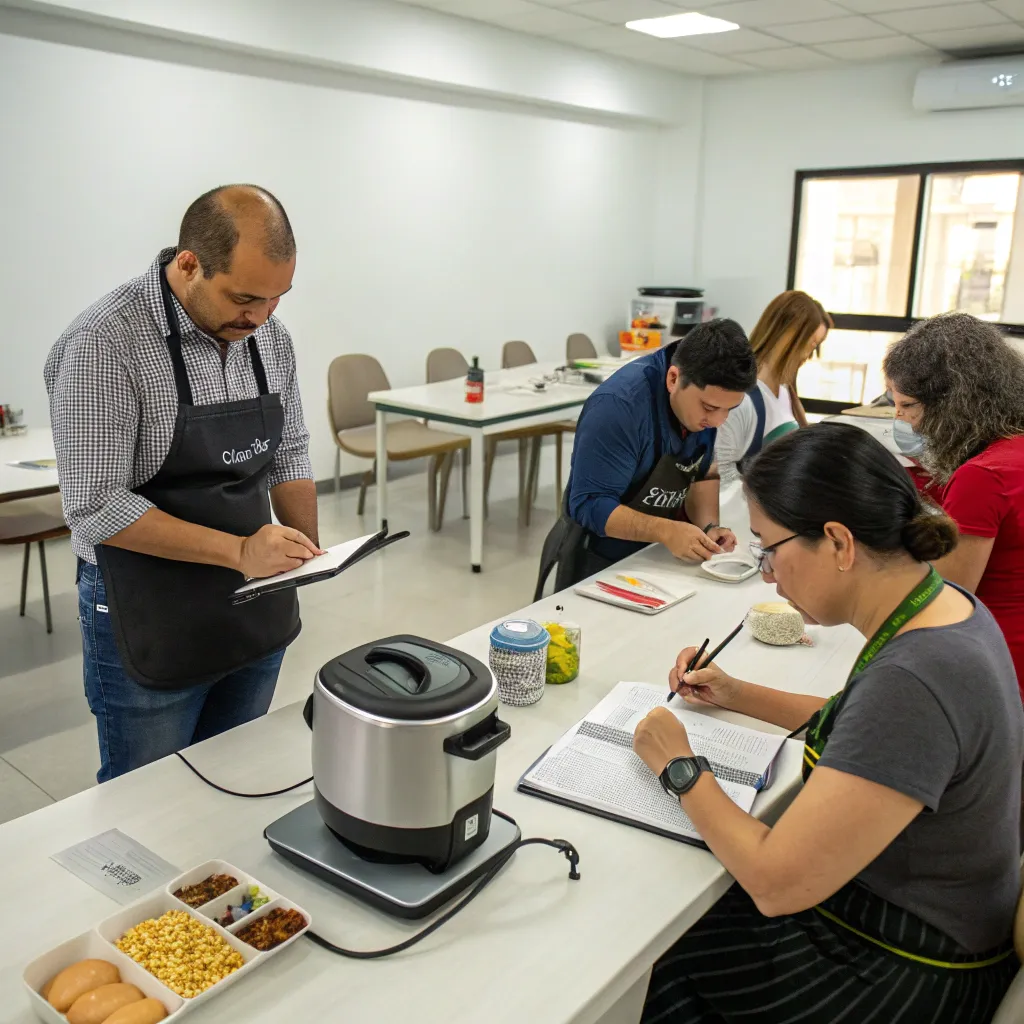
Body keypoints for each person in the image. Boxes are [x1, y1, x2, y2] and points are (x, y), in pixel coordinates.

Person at [632, 423, 1022, 1023]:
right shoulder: (946, 610)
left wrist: (678, 766)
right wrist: (735, 693)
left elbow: (776, 882)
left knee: (667, 958)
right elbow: (869, 734)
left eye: (770, 550)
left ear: (839, 543)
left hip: (908, 966)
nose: (768, 574)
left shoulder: (916, 678)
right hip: (940, 923)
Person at [45, 184, 322, 782]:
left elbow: (290, 450)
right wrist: (240, 550)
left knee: (232, 775)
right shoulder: (105, 343)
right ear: (189, 265)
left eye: (277, 298)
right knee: (147, 799)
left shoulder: (268, 337)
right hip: (148, 606)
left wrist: (308, 548)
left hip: (250, 603)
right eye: (245, 297)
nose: (260, 317)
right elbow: (94, 507)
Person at [534, 320, 757, 597]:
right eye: (710, 408)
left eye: (729, 410)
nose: (718, 421)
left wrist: (709, 527)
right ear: (673, 379)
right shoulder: (619, 407)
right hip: (596, 558)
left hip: (655, 558)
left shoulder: (704, 402)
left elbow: (702, 470)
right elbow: (589, 503)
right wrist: (666, 531)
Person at [884, 312, 1024, 700]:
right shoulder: (1014, 450)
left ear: (954, 404)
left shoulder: (983, 476)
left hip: (997, 669)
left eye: (908, 405)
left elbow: (943, 602)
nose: (902, 419)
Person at [715, 291, 831, 485]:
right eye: (811, 344)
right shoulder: (740, 397)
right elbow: (720, 474)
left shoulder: (784, 389)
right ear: (788, 335)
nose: (809, 355)